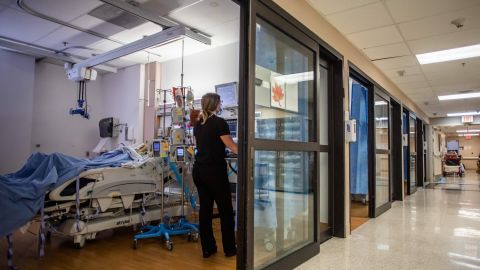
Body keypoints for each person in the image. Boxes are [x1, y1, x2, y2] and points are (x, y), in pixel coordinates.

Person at [192, 93, 238, 258]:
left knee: (205, 210)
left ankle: (208, 248)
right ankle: (230, 249)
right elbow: (231, 146)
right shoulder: (220, 122)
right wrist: (249, 152)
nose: (222, 104)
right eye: (221, 102)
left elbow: (203, 146)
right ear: (216, 104)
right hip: (214, 172)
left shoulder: (198, 124)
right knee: (225, 210)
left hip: (199, 171)